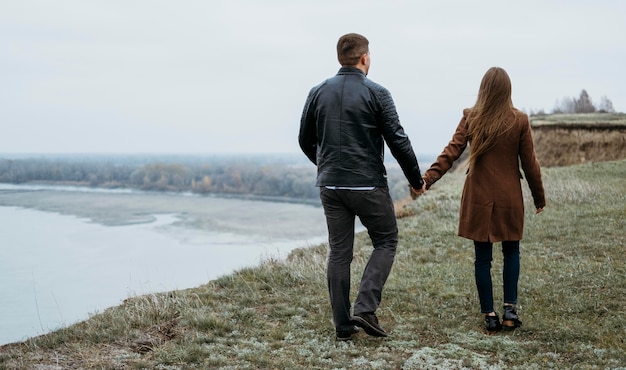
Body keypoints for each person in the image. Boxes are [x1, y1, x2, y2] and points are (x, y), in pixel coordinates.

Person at [298, 33, 424, 341]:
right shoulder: (377, 92)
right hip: (366, 184)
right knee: (386, 240)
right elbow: (398, 140)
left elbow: (304, 139)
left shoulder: (317, 92)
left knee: (339, 252)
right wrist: (416, 180)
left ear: (340, 58)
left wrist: (325, 165)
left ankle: (343, 327)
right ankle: (365, 308)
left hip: (330, 184)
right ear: (365, 58)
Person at [422, 67, 546, 334]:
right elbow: (530, 163)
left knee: (482, 258)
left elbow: (451, 152)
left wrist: (429, 178)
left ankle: (490, 315)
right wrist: (539, 197)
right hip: (509, 196)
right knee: (512, 250)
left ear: (484, 89)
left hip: (478, 197)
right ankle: (510, 312)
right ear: (507, 91)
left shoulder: (471, 117)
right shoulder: (520, 120)